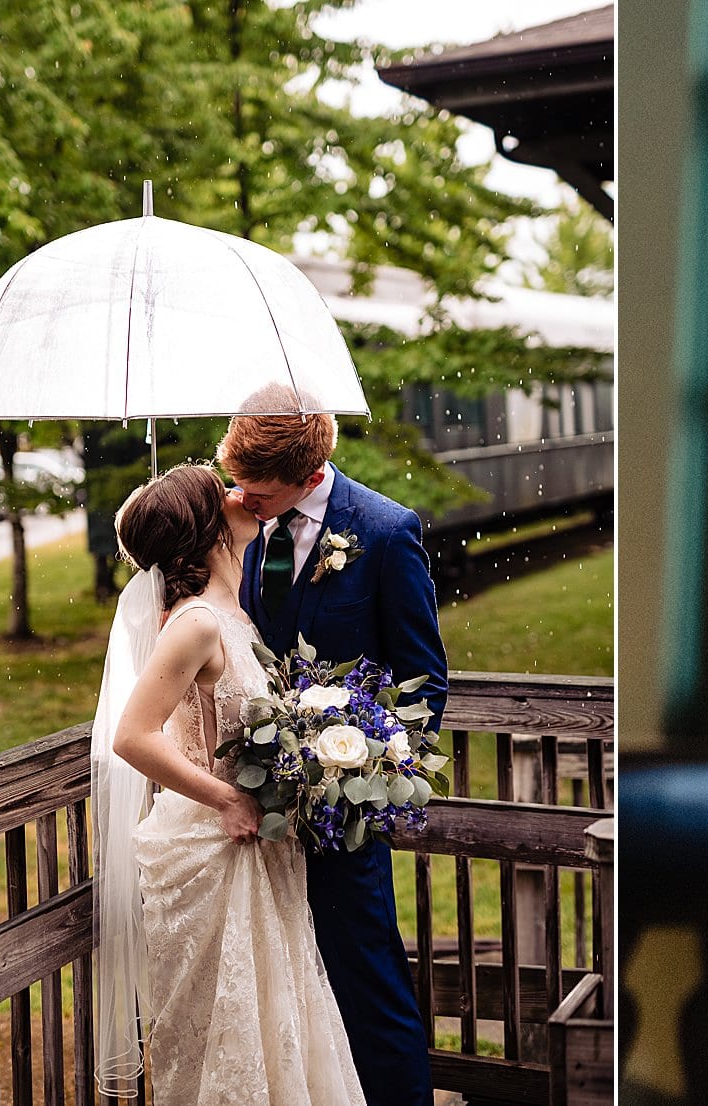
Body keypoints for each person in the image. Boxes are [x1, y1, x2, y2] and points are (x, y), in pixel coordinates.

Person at [91, 463, 366, 1103]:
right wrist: (227, 799)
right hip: (213, 849)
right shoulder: (196, 623)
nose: (239, 494)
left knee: (277, 1022)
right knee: (225, 1038)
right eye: (223, 492)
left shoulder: (232, 613)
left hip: (258, 847)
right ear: (208, 527)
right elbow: (132, 735)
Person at [223, 393, 448, 1106]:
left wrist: (373, 778)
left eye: (257, 490)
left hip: (340, 813)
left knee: (364, 976)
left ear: (307, 474)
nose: (242, 498)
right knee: (286, 983)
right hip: (251, 813)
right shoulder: (242, 527)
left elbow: (423, 679)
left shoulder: (384, 532)